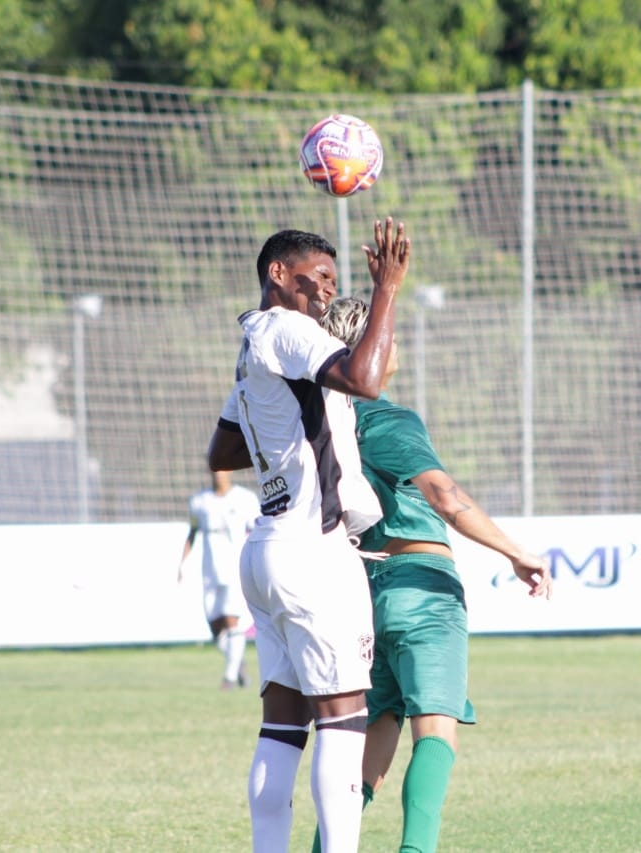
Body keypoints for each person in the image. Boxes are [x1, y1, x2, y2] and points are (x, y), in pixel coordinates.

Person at [315, 296, 551, 853]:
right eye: (386, 334)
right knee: (435, 728)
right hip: (421, 585)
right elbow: (445, 496)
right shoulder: (387, 417)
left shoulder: (326, 422)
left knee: (370, 741)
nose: (394, 342)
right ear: (364, 348)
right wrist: (515, 552)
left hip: (361, 590)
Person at [206, 219, 411, 853]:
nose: (327, 290)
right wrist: (387, 291)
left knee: (283, 729)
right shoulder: (290, 329)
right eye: (317, 277)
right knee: (343, 724)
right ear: (277, 274)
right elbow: (368, 379)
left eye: (333, 279)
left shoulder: (252, 345)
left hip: (266, 548)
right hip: (312, 553)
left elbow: (220, 447)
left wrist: (283, 434)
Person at [179, 469, 260, 689]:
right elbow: (192, 532)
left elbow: (256, 533)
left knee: (232, 620)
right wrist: (182, 564)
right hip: (210, 571)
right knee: (215, 627)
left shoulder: (245, 499)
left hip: (234, 568)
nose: (219, 474)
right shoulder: (199, 501)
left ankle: (230, 678)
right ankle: (237, 661)